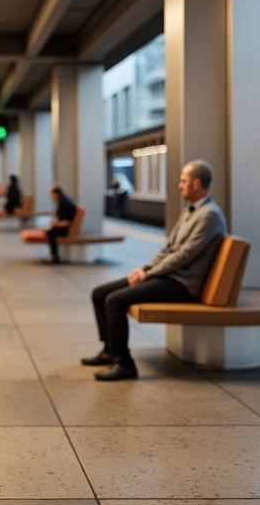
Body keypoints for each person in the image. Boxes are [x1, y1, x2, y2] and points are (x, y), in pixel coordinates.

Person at [86, 160, 227, 381]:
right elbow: (169, 249)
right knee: (99, 293)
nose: (179, 185)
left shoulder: (209, 215)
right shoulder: (191, 211)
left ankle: (124, 363)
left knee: (115, 301)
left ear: (197, 183)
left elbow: (184, 256)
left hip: (182, 284)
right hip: (168, 276)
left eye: (183, 181)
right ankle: (109, 351)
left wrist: (149, 274)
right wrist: (144, 268)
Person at [45, 185, 78, 264]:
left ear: (56, 194)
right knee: (50, 230)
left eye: (52, 194)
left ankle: (54, 255)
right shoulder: (63, 200)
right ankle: (53, 255)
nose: (51, 196)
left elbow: (65, 221)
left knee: (50, 232)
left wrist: (53, 225)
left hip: (67, 229)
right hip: (67, 226)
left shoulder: (63, 203)